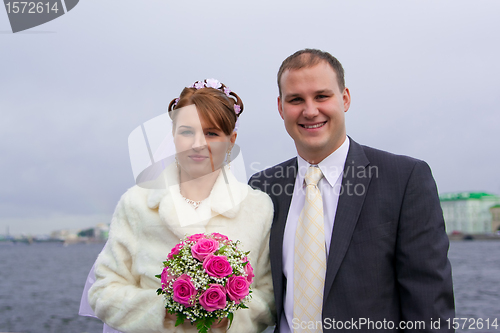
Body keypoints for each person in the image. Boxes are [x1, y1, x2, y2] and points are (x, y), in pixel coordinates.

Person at [249, 49, 455, 332]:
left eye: (322, 96)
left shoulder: (404, 179)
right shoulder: (262, 187)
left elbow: (428, 303)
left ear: (344, 98)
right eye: (296, 99)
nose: (310, 110)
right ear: (280, 107)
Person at [85, 79, 275, 333]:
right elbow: (103, 292)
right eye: (187, 131)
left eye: (212, 133)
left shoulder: (257, 208)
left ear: (231, 140)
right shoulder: (136, 204)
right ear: (173, 135)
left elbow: (269, 297)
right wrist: (167, 309)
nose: (198, 143)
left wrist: (228, 315)